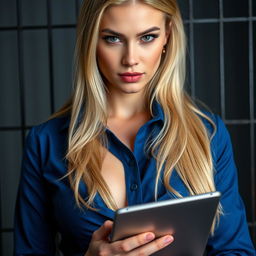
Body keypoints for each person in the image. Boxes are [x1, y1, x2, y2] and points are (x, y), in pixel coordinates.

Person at [14, 0, 255, 255]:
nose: (130, 59)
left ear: (168, 36)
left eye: (147, 37)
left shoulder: (208, 134)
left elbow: (235, 251)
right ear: (91, 40)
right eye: (113, 39)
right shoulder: (46, 143)